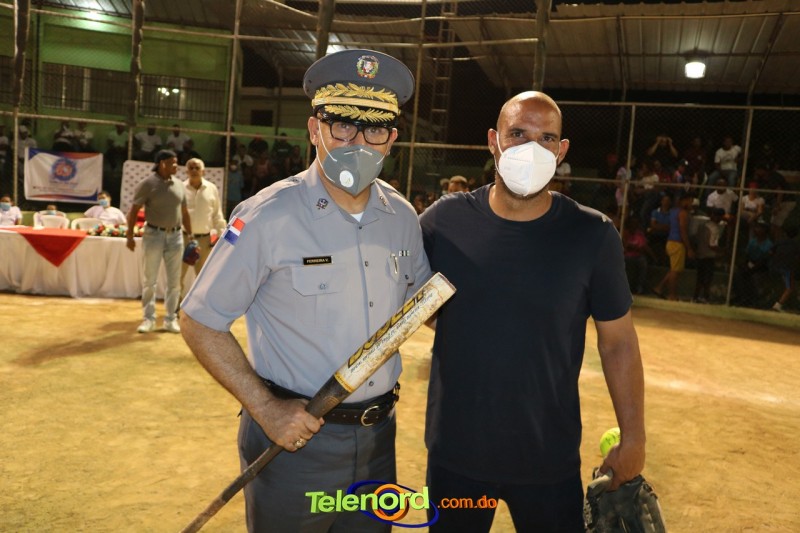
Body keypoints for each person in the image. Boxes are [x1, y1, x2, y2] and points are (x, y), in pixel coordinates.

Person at [179, 49, 431, 532]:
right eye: (343, 126)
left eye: (375, 130)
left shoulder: (401, 217)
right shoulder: (266, 215)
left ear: (392, 139)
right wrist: (266, 408)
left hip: (378, 441)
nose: (358, 142)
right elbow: (199, 320)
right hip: (295, 443)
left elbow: (422, 305)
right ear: (315, 129)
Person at [418, 91, 645, 531]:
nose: (531, 148)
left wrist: (634, 437)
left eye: (546, 138)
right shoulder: (444, 222)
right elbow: (407, 300)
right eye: (518, 134)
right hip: (457, 457)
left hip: (548, 459)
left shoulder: (592, 235)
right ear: (493, 141)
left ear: (562, 151)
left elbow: (618, 342)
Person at [126, 149, 192, 334]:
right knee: (150, 280)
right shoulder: (147, 184)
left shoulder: (179, 185)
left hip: (176, 236)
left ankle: (170, 319)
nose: (176, 166)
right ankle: (149, 319)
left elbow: (184, 212)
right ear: (162, 163)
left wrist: (191, 235)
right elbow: (133, 211)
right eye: (172, 162)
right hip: (153, 235)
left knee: (174, 282)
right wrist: (129, 236)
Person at [180, 158, 226, 292]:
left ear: (203, 171)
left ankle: (198, 305)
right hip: (183, 238)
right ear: (186, 171)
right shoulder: (180, 188)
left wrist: (224, 236)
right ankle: (176, 304)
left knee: (202, 278)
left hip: (204, 241)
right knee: (177, 276)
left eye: (197, 168)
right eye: (191, 168)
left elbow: (217, 214)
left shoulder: (211, 189)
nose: (194, 170)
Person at [653, 191, 695, 301]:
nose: (691, 203)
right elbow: (683, 231)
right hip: (677, 243)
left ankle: (659, 288)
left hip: (671, 241)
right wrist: (689, 248)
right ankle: (672, 295)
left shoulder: (673, 211)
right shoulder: (682, 213)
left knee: (674, 269)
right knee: (675, 271)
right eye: (690, 201)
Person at [692, 207, 725, 303]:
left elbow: (696, 240)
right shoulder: (714, 229)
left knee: (700, 278)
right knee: (707, 278)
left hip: (700, 254)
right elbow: (712, 245)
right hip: (709, 256)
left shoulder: (702, 226)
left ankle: (695, 297)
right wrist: (722, 251)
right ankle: (705, 297)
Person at [770, 226, 799, 312]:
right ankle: (778, 305)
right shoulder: (796, 245)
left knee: (786, 286)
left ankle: (786, 303)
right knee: (790, 288)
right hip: (786, 269)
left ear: (785, 233)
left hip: (774, 267)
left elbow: (770, 252)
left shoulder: (779, 242)